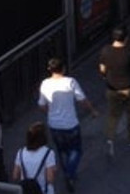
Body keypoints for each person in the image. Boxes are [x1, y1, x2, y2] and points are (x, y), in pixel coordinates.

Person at [37, 57, 98, 192]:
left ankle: (68, 174)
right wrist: (92, 111)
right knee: (76, 150)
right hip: (70, 124)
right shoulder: (70, 82)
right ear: (63, 68)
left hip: (54, 125)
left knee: (62, 151)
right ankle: (70, 173)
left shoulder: (45, 84)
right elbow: (82, 99)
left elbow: (41, 105)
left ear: (49, 70)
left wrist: (50, 112)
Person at [98, 25, 130, 157]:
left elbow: (102, 69)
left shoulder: (105, 50)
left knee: (113, 115)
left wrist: (106, 77)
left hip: (112, 88)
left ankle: (110, 138)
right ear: (126, 38)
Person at [12, 122, 56, 194]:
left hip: (25, 191)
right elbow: (49, 179)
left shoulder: (20, 152)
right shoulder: (48, 153)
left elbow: (15, 175)